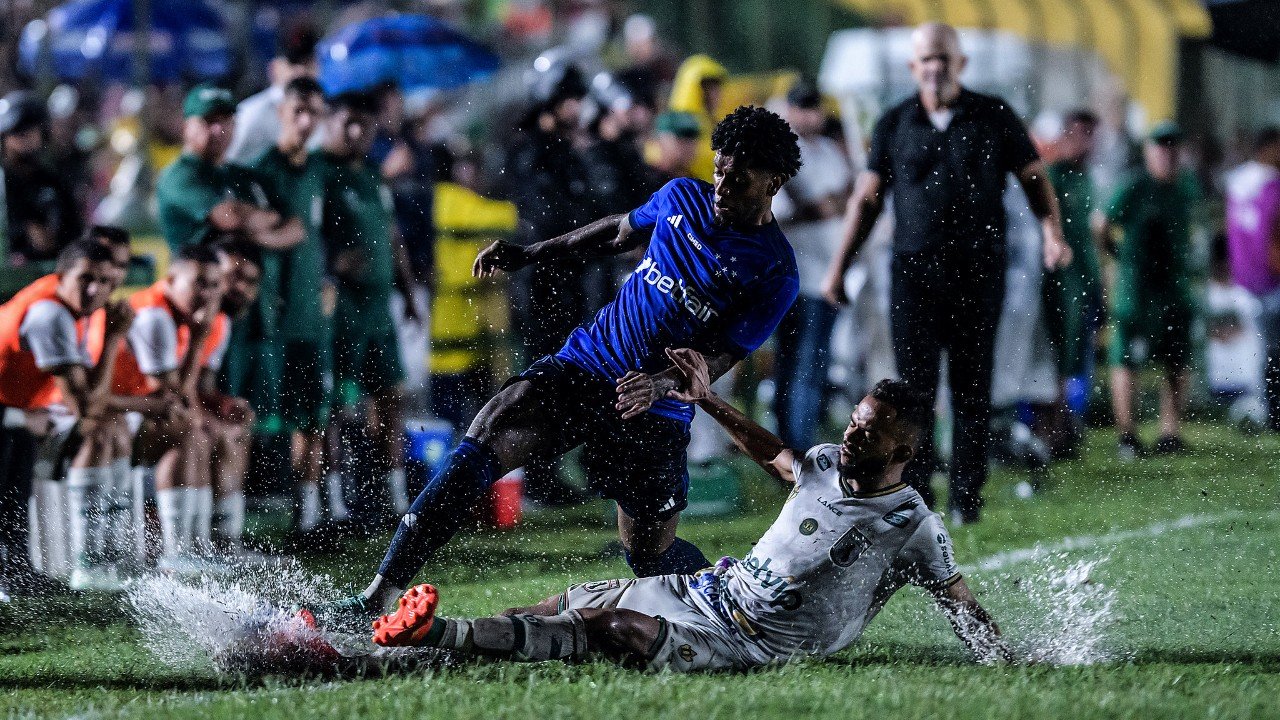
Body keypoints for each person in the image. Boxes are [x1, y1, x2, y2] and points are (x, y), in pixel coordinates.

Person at [311, 105, 802, 629]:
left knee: (649, 557)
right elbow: (617, 230)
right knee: (487, 431)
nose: (722, 183)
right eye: (720, 168)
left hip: (655, 409)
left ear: (772, 181)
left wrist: (660, 384)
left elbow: (722, 355)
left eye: (738, 176)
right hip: (589, 361)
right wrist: (530, 254)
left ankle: (727, 596)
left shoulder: (774, 269)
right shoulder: (683, 196)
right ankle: (376, 595)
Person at [368, 353, 1010, 671]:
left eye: (868, 433)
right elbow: (774, 455)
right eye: (856, 421)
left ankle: (436, 635)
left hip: (748, 640)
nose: (851, 435)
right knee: (551, 607)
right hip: (708, 589)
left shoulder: (911, 523)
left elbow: (958, 601)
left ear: (904, 449)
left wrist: (1007, 661)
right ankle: (402, 647)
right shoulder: (825, 461)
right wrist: (705, 399)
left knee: (612, 628)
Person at [821, 22, 1071, 525]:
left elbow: (1033, 176)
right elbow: (867, 199)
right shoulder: (894, 123)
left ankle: (966, 499)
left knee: (972, 387)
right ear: (913, 68)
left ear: (960, 64)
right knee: (913, 393)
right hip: (914, 274)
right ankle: (915, 497)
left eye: (943, 58)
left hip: (979, 272)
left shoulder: (993, 115)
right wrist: (838, 267)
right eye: (925, 60)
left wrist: (1052, 233)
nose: (934, 68)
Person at [0, 242, 130, 593]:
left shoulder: (78, 309)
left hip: (17, 411)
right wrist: (117, 337)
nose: (95, 289)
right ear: (61, 276)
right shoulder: (51, 314)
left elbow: (89, 395)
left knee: (18, 477)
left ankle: (17, 569)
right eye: (86, 278)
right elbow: (87, 406)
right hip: (10, 413)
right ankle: (89, 559)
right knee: (94, 431)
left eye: (105, 281)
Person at [315, 91, 420, 518]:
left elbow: (392, 236)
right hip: (339, 305)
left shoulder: (373, 175)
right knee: (337, 405)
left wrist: (409, 292)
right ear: (330, 123)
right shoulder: (319, 173)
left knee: (390, 397)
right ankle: (334, 501)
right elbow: (306, 230)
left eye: (365, 124)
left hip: (379, 305)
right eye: (347, 123)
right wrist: (329, 264)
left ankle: (390, 495)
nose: (357, 132)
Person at [504, 57, 599, 506]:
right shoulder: (531, 151)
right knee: (543, 380)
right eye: (571, 99)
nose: (578, 108)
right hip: (542, 285)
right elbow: (545, 218)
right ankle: (538, 479)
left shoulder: (565, 149)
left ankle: (556, 473)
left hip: (571, 281)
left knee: (571, 383)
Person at [102, 245, 226, 570]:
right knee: (186, 430)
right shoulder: (155, 314)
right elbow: (175, 396)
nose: (208, 293)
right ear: (171, 279)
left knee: (199, 428)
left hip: (129, 410)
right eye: (200, 283)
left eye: (215, 285)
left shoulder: (179, 313)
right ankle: (178, 551)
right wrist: (199, 340)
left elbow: (182, 396)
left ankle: (197, 547)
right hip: (106, 414)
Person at [248, 77, 334, 536]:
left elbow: (327, 230)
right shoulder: (262, 171)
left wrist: (332, 274)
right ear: (280, 111)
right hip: (269, 319)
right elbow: (249, 233)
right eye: (298, 111)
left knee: (313, 416)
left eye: (313, 113)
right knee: (255, 420)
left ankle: (309, 515)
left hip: (309, 316)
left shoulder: (320, 169)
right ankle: (236, 523)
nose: (305, 122)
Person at [1099, 121, 1202, 459]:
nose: (1167, 153)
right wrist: (1117, 258)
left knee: (1177, 358)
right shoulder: (1134, 186)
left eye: (1173, 146)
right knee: (1125, 359)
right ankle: (1127, 434)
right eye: (1161, 146)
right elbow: (1101, 224)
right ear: (1149, 151)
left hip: (1173, 286)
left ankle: (1170, 432)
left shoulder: (1186, 186)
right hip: (1136, 289)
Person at [773, 81, 853, 451]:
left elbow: (848, 196)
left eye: (814, 107)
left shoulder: (826, 151)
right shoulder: (781, 153)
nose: (810, 114)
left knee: (816, 363)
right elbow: (781, 213)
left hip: (831, 274)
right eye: (802, 107)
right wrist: (820, 207)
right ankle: (794, 445)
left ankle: (802, 438)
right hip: (798, 277)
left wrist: (825, 204)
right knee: (799, 365)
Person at [155, 85, 303, 254]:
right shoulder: (178, 176)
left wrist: (250, 237)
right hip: (200, 278)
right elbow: (230, 218)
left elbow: (296, 227)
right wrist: (268, 223)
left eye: (225, 119)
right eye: (209, 120)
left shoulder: (240, 174)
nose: (218, 129)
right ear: (186, 126)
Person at [428, 150, 517, 430]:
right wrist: (516, 209)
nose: (469, 175)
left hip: (479, 338)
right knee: (449, 417)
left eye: (473, 168)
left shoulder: (475, 204)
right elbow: (499, 218)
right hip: (451, 335)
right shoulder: (448, 200)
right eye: (463, 168)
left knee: (481, 417)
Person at [1039, 110, 1104, 455]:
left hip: (1086, 280)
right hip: (1059, 282)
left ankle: (1066, 424)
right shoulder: (1052, 177)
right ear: (1065, 136)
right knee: (1056, 356)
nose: (1087, 143)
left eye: (1092, 135)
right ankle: (1051, 430)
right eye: (1081, 134)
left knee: (1077, 358)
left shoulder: (1089, 178)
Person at [1224, 126, 1280, 430]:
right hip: (1269, 277)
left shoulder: (1237, 181)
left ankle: (1263, 404)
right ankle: (1267, 408)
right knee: (1266, 348)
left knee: (1259, 349)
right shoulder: (1271, 185)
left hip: (1245, 276)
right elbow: (1271, 235)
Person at [0, 90, 83, 265]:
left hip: (46, 278)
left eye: (29, 130)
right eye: (16, 132)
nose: (23, 139)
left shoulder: (53, 182)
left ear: (42, 132)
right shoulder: (3, 181)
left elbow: (73, 233)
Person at [224, 24, 320, 165]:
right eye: (293, 63)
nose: (301, 71)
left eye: (307, 63)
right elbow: (226, 165)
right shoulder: (252, 114)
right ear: (274, 68)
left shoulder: (325, 112)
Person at [667, 55, 728, 183]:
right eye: (709, 87)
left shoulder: (713, 121)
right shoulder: (678, 124)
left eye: (716, 87)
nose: (715, 93)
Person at [647, 111, 702, 182]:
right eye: (681, 137)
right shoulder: (644, 178)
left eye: (692, 137)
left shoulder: (694, 180)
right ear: (661, 140)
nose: (689, 144)